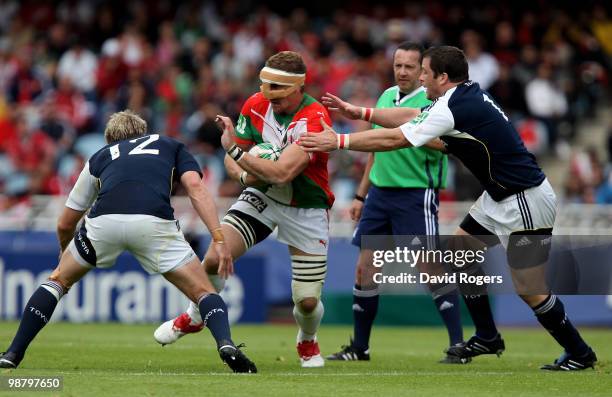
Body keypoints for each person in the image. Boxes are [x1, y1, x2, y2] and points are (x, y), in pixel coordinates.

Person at [299, 46, 597, 371]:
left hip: (522, 198)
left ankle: (580, 353)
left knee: (530, 288)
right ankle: (486, 335)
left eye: (424, 72)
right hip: (500, 196)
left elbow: (397, 138)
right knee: (457, 252)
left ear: (442, 77)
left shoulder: (451, 107)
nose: (420, 78)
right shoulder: (461, 98)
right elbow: (412, 117)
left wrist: (339, 142)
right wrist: (361, 113)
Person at [0, 110, 257, 373]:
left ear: (110, 139)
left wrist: (66, 252)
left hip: (104, 222)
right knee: (204, 292)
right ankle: (225, 343)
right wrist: (218, 237)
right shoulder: (171, 145)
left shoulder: (101, 156)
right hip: (154, 222)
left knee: (56, 281)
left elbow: (65, 222)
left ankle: (13, 353)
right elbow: (196, 189)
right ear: (144, 134)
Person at [153, 51, 334, 368]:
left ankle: (307, 339)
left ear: (297, 87)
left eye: (277, 88)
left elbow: (281, 172)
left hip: (305, 207)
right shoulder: (254, 105)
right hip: (262, 196)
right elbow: (232, 163)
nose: (269, 95)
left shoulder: (314, 119)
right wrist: (243, 173)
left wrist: (237, 154)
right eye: (265, 86)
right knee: (212, 258)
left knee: (307, 301)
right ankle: (197, 315)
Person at [324, 42, 465, 363]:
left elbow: (445, 145)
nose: (402, 71)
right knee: (365, 269)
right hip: (380, 195)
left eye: (410, 67)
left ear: (423, 72)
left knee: (429, 267)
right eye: (398, 65)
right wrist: (361, 195)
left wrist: (409, 131)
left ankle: (459, 344)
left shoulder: (435, 101)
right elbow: (376, 149)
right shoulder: (386, 97)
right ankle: (360, 347)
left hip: (416, 194)